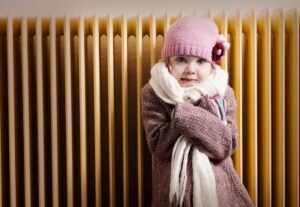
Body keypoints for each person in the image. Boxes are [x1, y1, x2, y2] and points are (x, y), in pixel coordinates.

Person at [141, 15, 254, 207]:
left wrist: (185, 116)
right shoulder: (153, 93)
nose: (190, 69)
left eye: (200, 61)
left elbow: (226, 144)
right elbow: (159, 145)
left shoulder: (222, 92)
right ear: (168, 62)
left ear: (212, 64)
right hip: (172, 192)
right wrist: (191, 116)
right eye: (181, 60)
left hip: (218, 191)